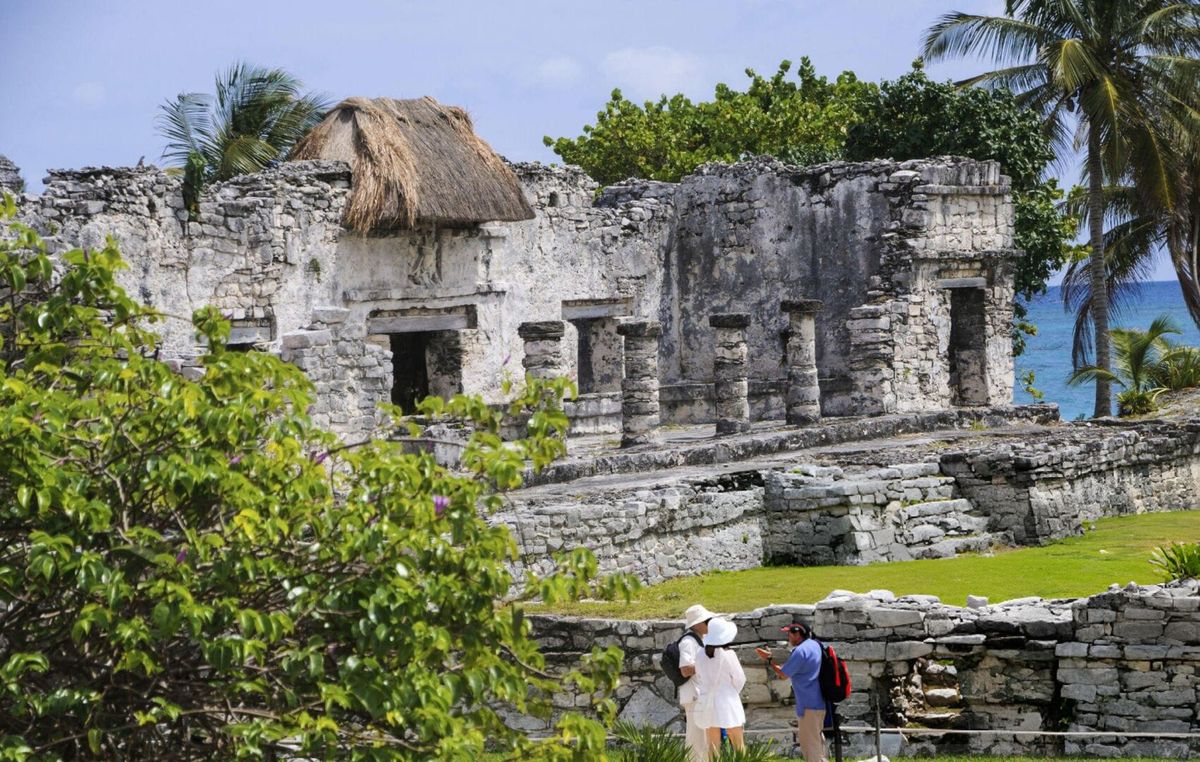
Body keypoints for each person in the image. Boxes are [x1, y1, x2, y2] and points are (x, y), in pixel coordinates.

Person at [756, 622, 827, 762]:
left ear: (797, 634)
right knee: (817, 743)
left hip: (808, 706)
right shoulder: (814, 645)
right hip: (818, 702)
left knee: (810, 747)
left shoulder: (800, 651)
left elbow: (783, 674)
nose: (787, 637)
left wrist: (769, 660)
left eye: (789, 633)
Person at [694, 617, 747, 755]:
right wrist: (731, 691)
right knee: (738, 744)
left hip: (708, 702)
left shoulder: (699, 654)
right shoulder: (729, 654)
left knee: (712, 747)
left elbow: (699, 677)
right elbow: (740, 679)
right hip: (728, 701)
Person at [678, 604, 714, 762]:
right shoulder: (688, 642)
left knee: (705, 740)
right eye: (707, 620)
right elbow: (685, 669)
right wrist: (707, 662)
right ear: (698, 624)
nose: (709, 623)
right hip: (694, 696)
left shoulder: (701, 640)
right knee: (696, 740)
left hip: (701, 695)